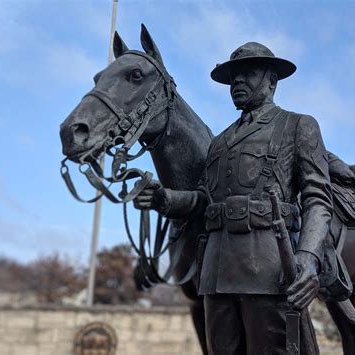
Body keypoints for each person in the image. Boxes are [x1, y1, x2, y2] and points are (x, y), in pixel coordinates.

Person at [134, 42, 332, 354]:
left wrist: (308, 257)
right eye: (233, 78)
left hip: (268, 270)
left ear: (272, 80)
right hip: (215, 273)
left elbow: (318, 198)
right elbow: (203, 201)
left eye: (247, 74)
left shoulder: (297, 126)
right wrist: (165, 199)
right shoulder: (219, 142)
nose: (237, 82)